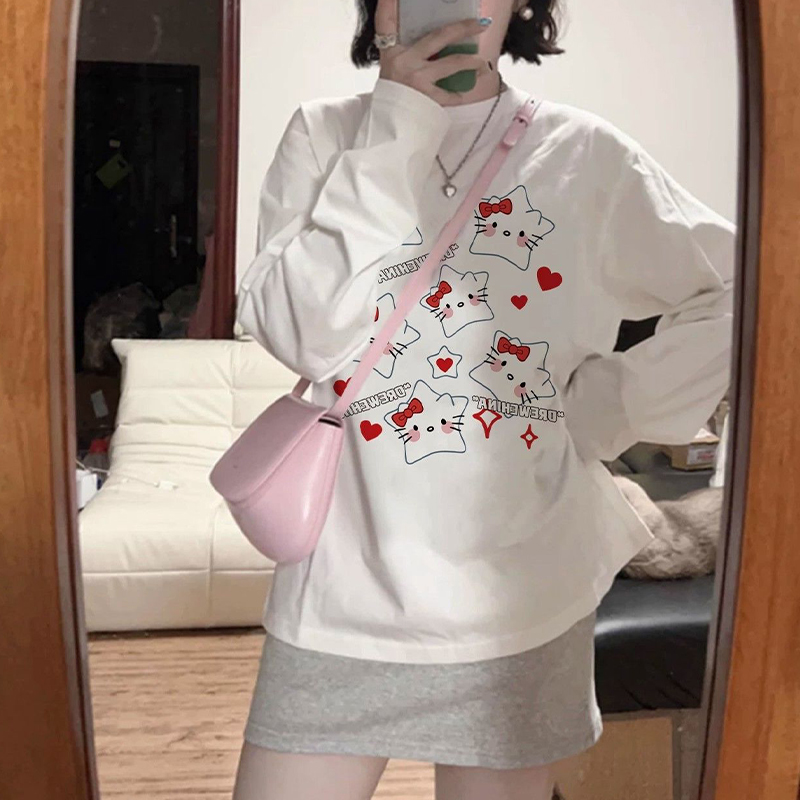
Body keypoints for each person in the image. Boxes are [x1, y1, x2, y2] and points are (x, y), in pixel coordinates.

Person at [231, 0, 735, 797]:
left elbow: (739, 289)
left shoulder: (586, 154)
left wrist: (604, 410)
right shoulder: (325, 134)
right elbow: (302, 334)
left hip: (521, 600)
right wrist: (397, 125)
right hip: (339, 600)